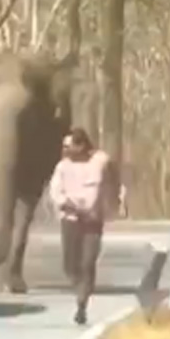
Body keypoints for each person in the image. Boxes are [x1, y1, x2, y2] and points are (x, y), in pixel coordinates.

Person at [48, 127, 120, 326]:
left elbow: (112, 175)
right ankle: (78, 285)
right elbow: (55, 191)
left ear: (81, 146)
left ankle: (82, 303)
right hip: (70, 220)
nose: (65, 150)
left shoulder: (99, 162)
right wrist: (65, 203)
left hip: (92, 220)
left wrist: (114, 198)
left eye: (69, 146)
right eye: (64, 146)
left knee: (88, 262)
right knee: (70, 265)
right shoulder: (62, 167)